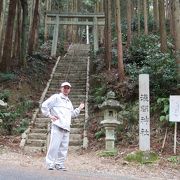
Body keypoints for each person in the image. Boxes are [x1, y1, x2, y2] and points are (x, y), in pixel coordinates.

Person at [41, 81, 84, 171]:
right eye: (64, 87)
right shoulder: (56, 97)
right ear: (61, 88)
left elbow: (71, 114)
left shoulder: (69, 102)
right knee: (54, 145)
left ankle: (59, 164)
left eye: (68, 88)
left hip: (66, 127)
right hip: (57, 125)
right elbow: (44, 105)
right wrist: (49, 115)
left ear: (69, 90)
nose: (66, 89)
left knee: (64, 148)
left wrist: (79, 108)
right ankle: (50, 164)